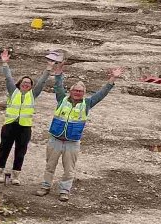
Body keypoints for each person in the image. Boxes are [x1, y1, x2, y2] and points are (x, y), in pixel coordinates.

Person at [38, 67, 120, 202]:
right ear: (70, 91)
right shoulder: (62, 99)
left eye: (80, 91)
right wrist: (58, 74)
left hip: (72, 142)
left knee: (69, 169)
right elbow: (58, 86)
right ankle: (45, 186)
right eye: (75, 90)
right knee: (50, 165)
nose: (77, 93)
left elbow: (102, 93)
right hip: (55, 139)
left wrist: (113, 79)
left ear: (84, 93)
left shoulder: (87, 103)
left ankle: (64, 190)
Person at [0, 50, 57, 185]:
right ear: (20, 83)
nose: (26, 84)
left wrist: (48, 68)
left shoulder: (33, 94)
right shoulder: (13, 91)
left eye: (28, 83)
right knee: (4, 149)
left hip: (24, 127)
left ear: (31, 86)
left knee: (20, 151)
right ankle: (0, 172)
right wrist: (5, 63)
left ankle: (16, 175)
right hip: (9, 125)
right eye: (24, 82)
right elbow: (8, 78)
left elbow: (41, 83)